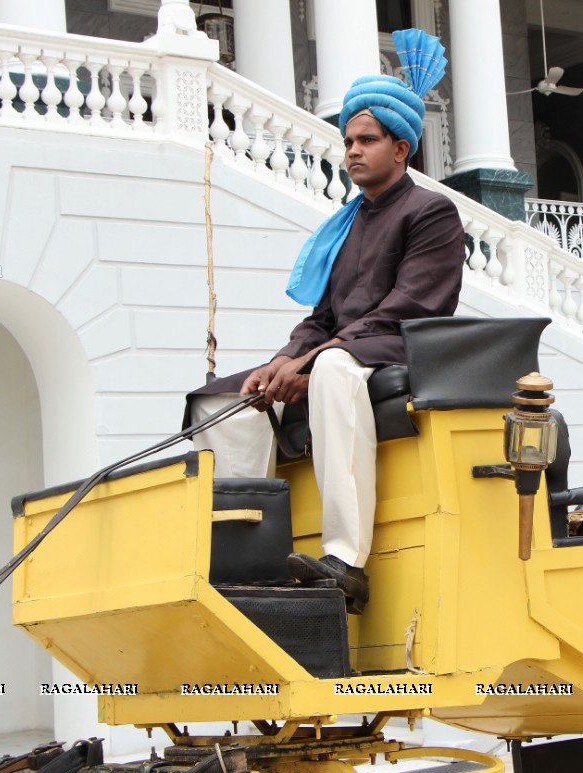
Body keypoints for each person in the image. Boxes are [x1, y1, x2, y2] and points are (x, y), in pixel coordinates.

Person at [184, 31, 462, 613]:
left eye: (367, 140)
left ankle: (346, 561)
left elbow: (412, 304)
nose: (353, 151)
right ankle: (240, 559)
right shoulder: (349, 222)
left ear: (401, 149)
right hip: (343, 347)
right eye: (348, 141)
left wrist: (314, 359)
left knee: (334, 368)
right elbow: (323, 316)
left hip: (399, 347)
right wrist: (282, 362)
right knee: (225, 400)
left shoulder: (431, 211)